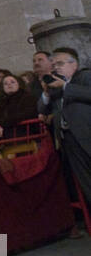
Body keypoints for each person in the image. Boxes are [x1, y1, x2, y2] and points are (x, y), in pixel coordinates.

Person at [40, 47, 91, 211]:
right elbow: (42, 109)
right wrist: (46, 93)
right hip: (69, 140)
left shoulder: (84, 76)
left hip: (87, 134)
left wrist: (66, 87)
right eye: (54, 65)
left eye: (60, 63)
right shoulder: (55, 86)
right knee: (86, 183)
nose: (56, 68)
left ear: (74, 64)